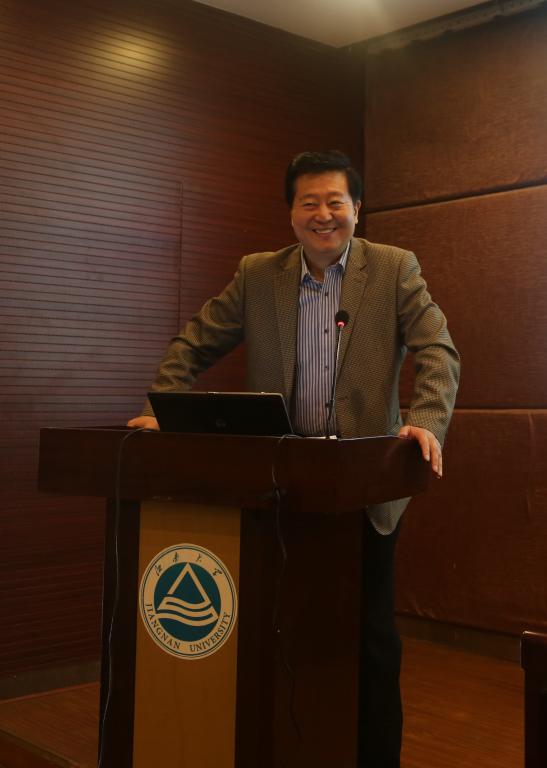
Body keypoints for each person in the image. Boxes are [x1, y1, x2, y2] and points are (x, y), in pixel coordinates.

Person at [128, 150, 460, 767]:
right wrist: (164, 408)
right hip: (279, 486)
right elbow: (194, 341)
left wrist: (424, 420)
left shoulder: (394, 268)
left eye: (336, 201)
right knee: (278, 628)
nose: (323, 214)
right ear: (291, 213)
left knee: (371, 636)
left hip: (364, 486)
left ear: (357, 209)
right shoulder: (259, 274)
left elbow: (437, 349)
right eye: (309, 202)